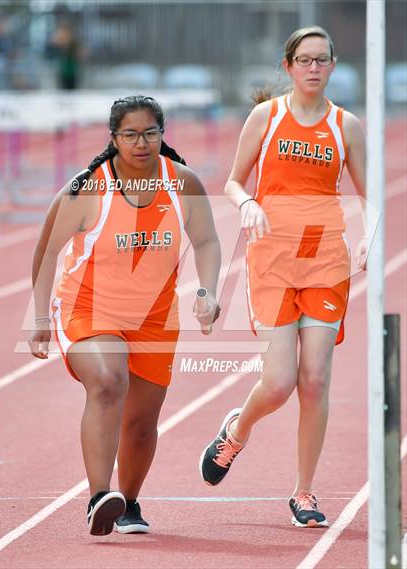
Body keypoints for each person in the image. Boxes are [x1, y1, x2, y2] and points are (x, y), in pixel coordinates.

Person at [29, 95, 220, 535]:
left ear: (162, 135)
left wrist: (207, 291)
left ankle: (128, 503)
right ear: (113, 138)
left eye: (150, 133)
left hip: (154, 316)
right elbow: (46, 250)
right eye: (130, 134)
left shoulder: (182, 184)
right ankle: (99, 496)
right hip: (88, 305)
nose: (141, 143)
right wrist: (40, 317)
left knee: (141, 422)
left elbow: (208, 241)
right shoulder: (85, 188)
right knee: (110, 381)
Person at [199, 26, 366, 528]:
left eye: (322, 60)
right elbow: (231, 180)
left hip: (325, 261)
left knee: (314, 381)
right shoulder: (266, 117)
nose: (314, 68)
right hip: (272, 260)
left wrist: (367, 236)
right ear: (288, 66)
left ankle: (305, 492)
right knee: (277, 383)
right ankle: (236, 430)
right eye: (305, 60)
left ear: (333, 66)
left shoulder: (345, 125)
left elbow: (369, 191)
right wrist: (247, 202)